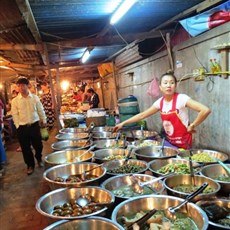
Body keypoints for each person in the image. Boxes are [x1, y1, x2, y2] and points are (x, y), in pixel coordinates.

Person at [113, 70, 211, 149]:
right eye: (165, 83)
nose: (169, 85)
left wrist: (193, 125)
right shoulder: (159, 102)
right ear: (160, 87)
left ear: (175, 86)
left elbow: (205, 110)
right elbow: (142, 115)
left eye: (172, 83)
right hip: (170, 142)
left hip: (184, 144)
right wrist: (123, 123)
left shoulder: (181, 98)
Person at [11, 77, 47, 175]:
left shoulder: (35, 97)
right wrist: (17, 125)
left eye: (23, 85)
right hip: (22, 128)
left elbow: (40, 110)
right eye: (19, 86)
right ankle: (30, 165)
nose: (21, 87)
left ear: (28, 86)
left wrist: (43, 120)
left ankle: (39, 158)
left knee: (38, 145)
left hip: (34, 125)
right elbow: (15, 114)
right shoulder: (15, 101)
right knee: (25, 148)